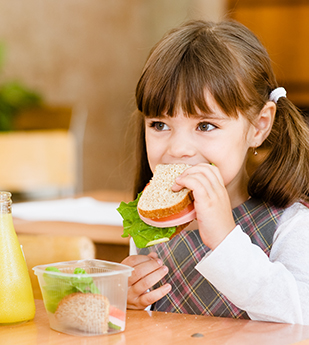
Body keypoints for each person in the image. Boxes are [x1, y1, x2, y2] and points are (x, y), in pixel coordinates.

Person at [121, 19, 309, 324]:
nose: (178, 148)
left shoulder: (292, 226)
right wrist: (131, 301)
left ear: (259, 126)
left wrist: (225, 240)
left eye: (205, 125)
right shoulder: (152, 222)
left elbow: (302, 317)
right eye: (159, 125)